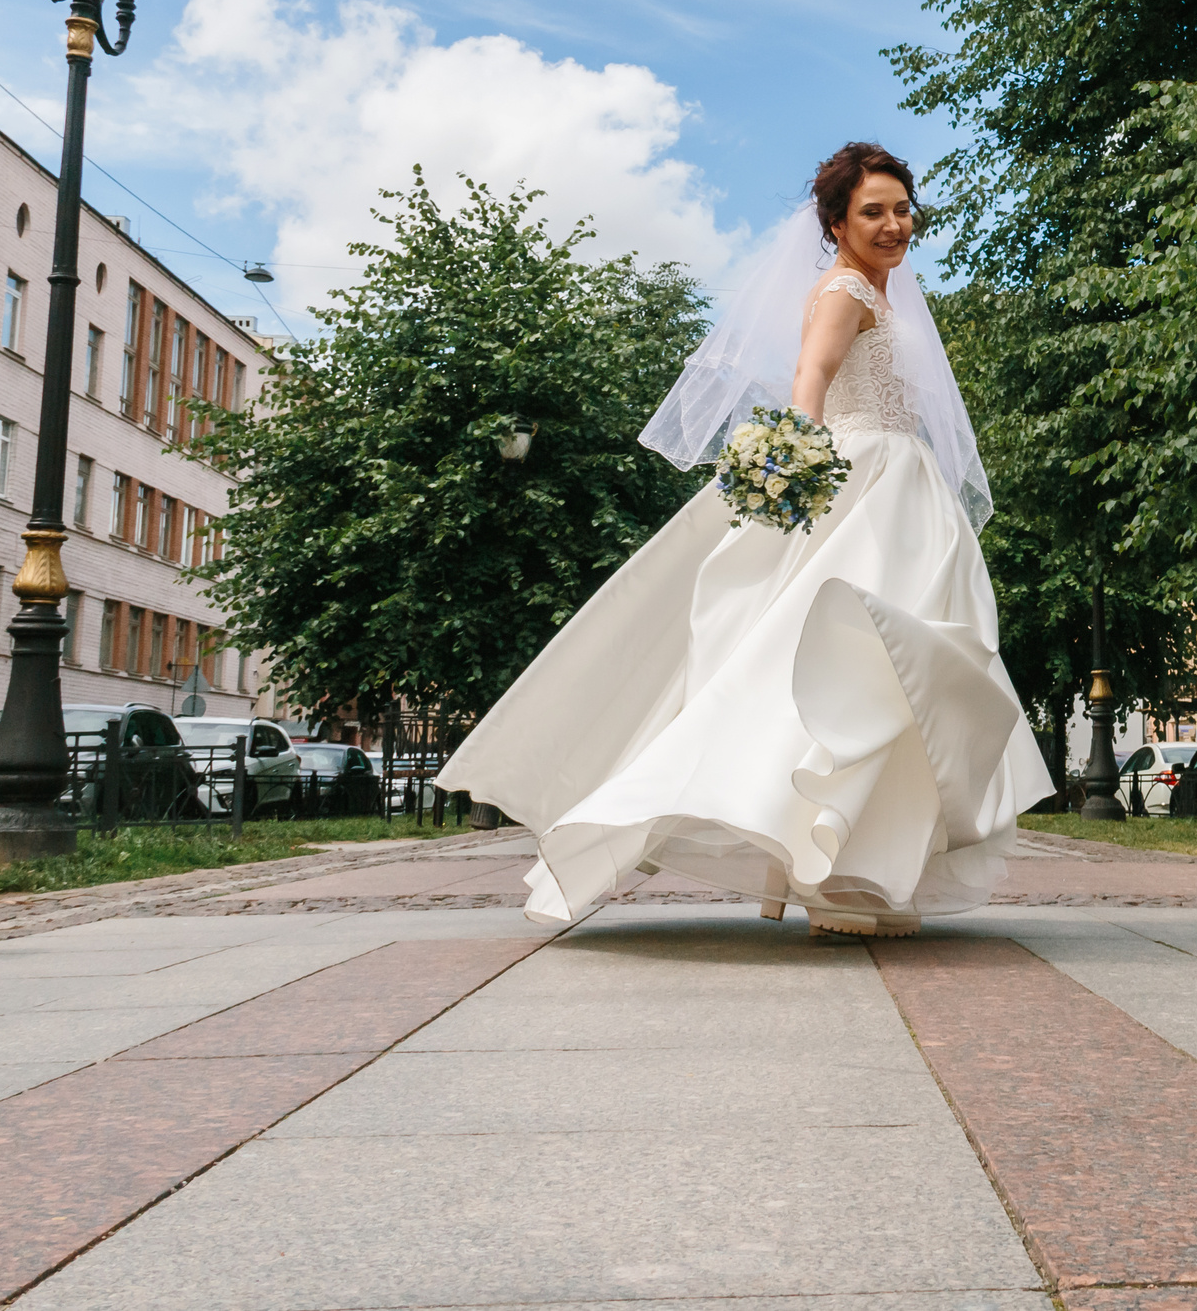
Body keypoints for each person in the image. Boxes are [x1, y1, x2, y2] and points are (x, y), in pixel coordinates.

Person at [435, 143, 1052, 935]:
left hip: (905, 488)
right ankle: (829, 875)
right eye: (872, 211)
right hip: (868, 483)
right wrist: (801, 462)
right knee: (858, 670)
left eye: (902, 209)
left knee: (895, 674)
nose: (894, 224)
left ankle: (853, 870)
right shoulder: (844, 291)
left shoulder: (885, 295)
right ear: (836, 223)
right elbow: (811, 378)